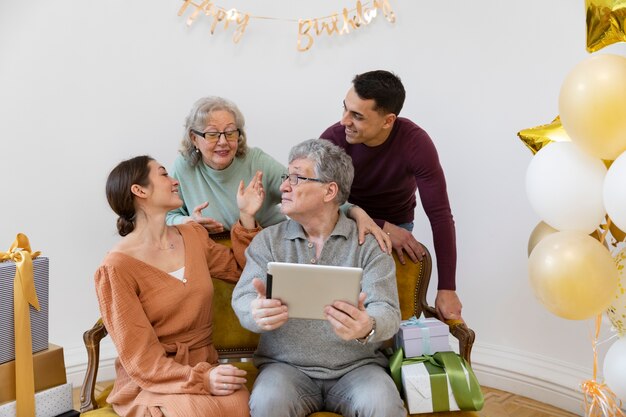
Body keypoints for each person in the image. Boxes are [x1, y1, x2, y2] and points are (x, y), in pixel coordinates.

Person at [232, 139, 406, 417]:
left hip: (358, 369)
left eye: (297, 178)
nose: (284, 186)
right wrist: (254, 312)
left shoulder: (369, 244)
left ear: (330, 191)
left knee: (384, 404)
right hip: (285, 370)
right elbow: (243, 297)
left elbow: (387, 311)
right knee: (267, 402)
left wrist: (367, 326)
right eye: (286, 177)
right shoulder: (268, 241)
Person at [95, 155, 264, 417]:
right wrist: (201, 381)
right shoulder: (116, 268)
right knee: (193, 412)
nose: (175, 181)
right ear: (139, 191)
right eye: (164, 174)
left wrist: (246, 216)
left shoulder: (193, 235)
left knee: (240, 404)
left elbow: (243, 271)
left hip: (206, 366)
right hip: (155, 379)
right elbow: (142, 359)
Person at [320, 70, 463, 322]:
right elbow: (317, 204)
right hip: (341, 222)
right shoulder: (333, 140)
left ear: (388, 121)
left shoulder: (416, 144)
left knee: (389, 311)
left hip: (398, 228)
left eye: (357, 116)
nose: (344, 121)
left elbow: (440, 215)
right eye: (344, 109)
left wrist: (447, 288)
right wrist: (380, 226)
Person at [166, 96, 391, 250]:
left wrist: (355, 211)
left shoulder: (255, 161)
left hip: (267, 246)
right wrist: (189, 221)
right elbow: (166, 216)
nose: (224, 142)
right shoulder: (183, 167)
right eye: (213, 134)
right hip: (215, 251)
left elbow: (307, 189)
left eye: (231, 133)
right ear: (194, 138)